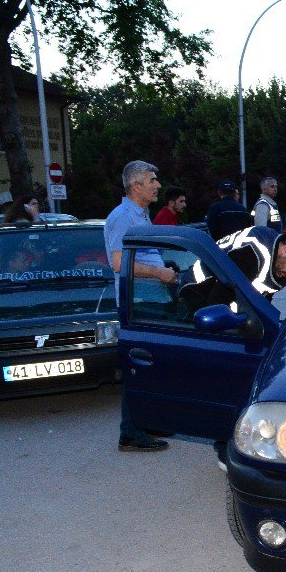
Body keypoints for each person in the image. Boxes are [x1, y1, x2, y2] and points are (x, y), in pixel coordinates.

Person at [178, 227, 286, 472]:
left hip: (218, 306)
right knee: (232, 373)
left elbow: (257, 300)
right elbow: (218, 301)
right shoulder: (254, 254)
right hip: (195, 299)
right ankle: (224, 443)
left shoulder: (276, 260)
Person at [104, 160, 178, 453]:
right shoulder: (123, 217)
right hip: (139, 301)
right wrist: (159, 273)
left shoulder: (140, 215)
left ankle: (145, 420)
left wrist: (165, 268)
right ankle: (131, 431)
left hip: (150, 298)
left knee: (154, 362)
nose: (158, 185)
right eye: (152, 180)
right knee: (140, 365)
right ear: (136, 186)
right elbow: (119, 262)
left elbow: (144, 256)